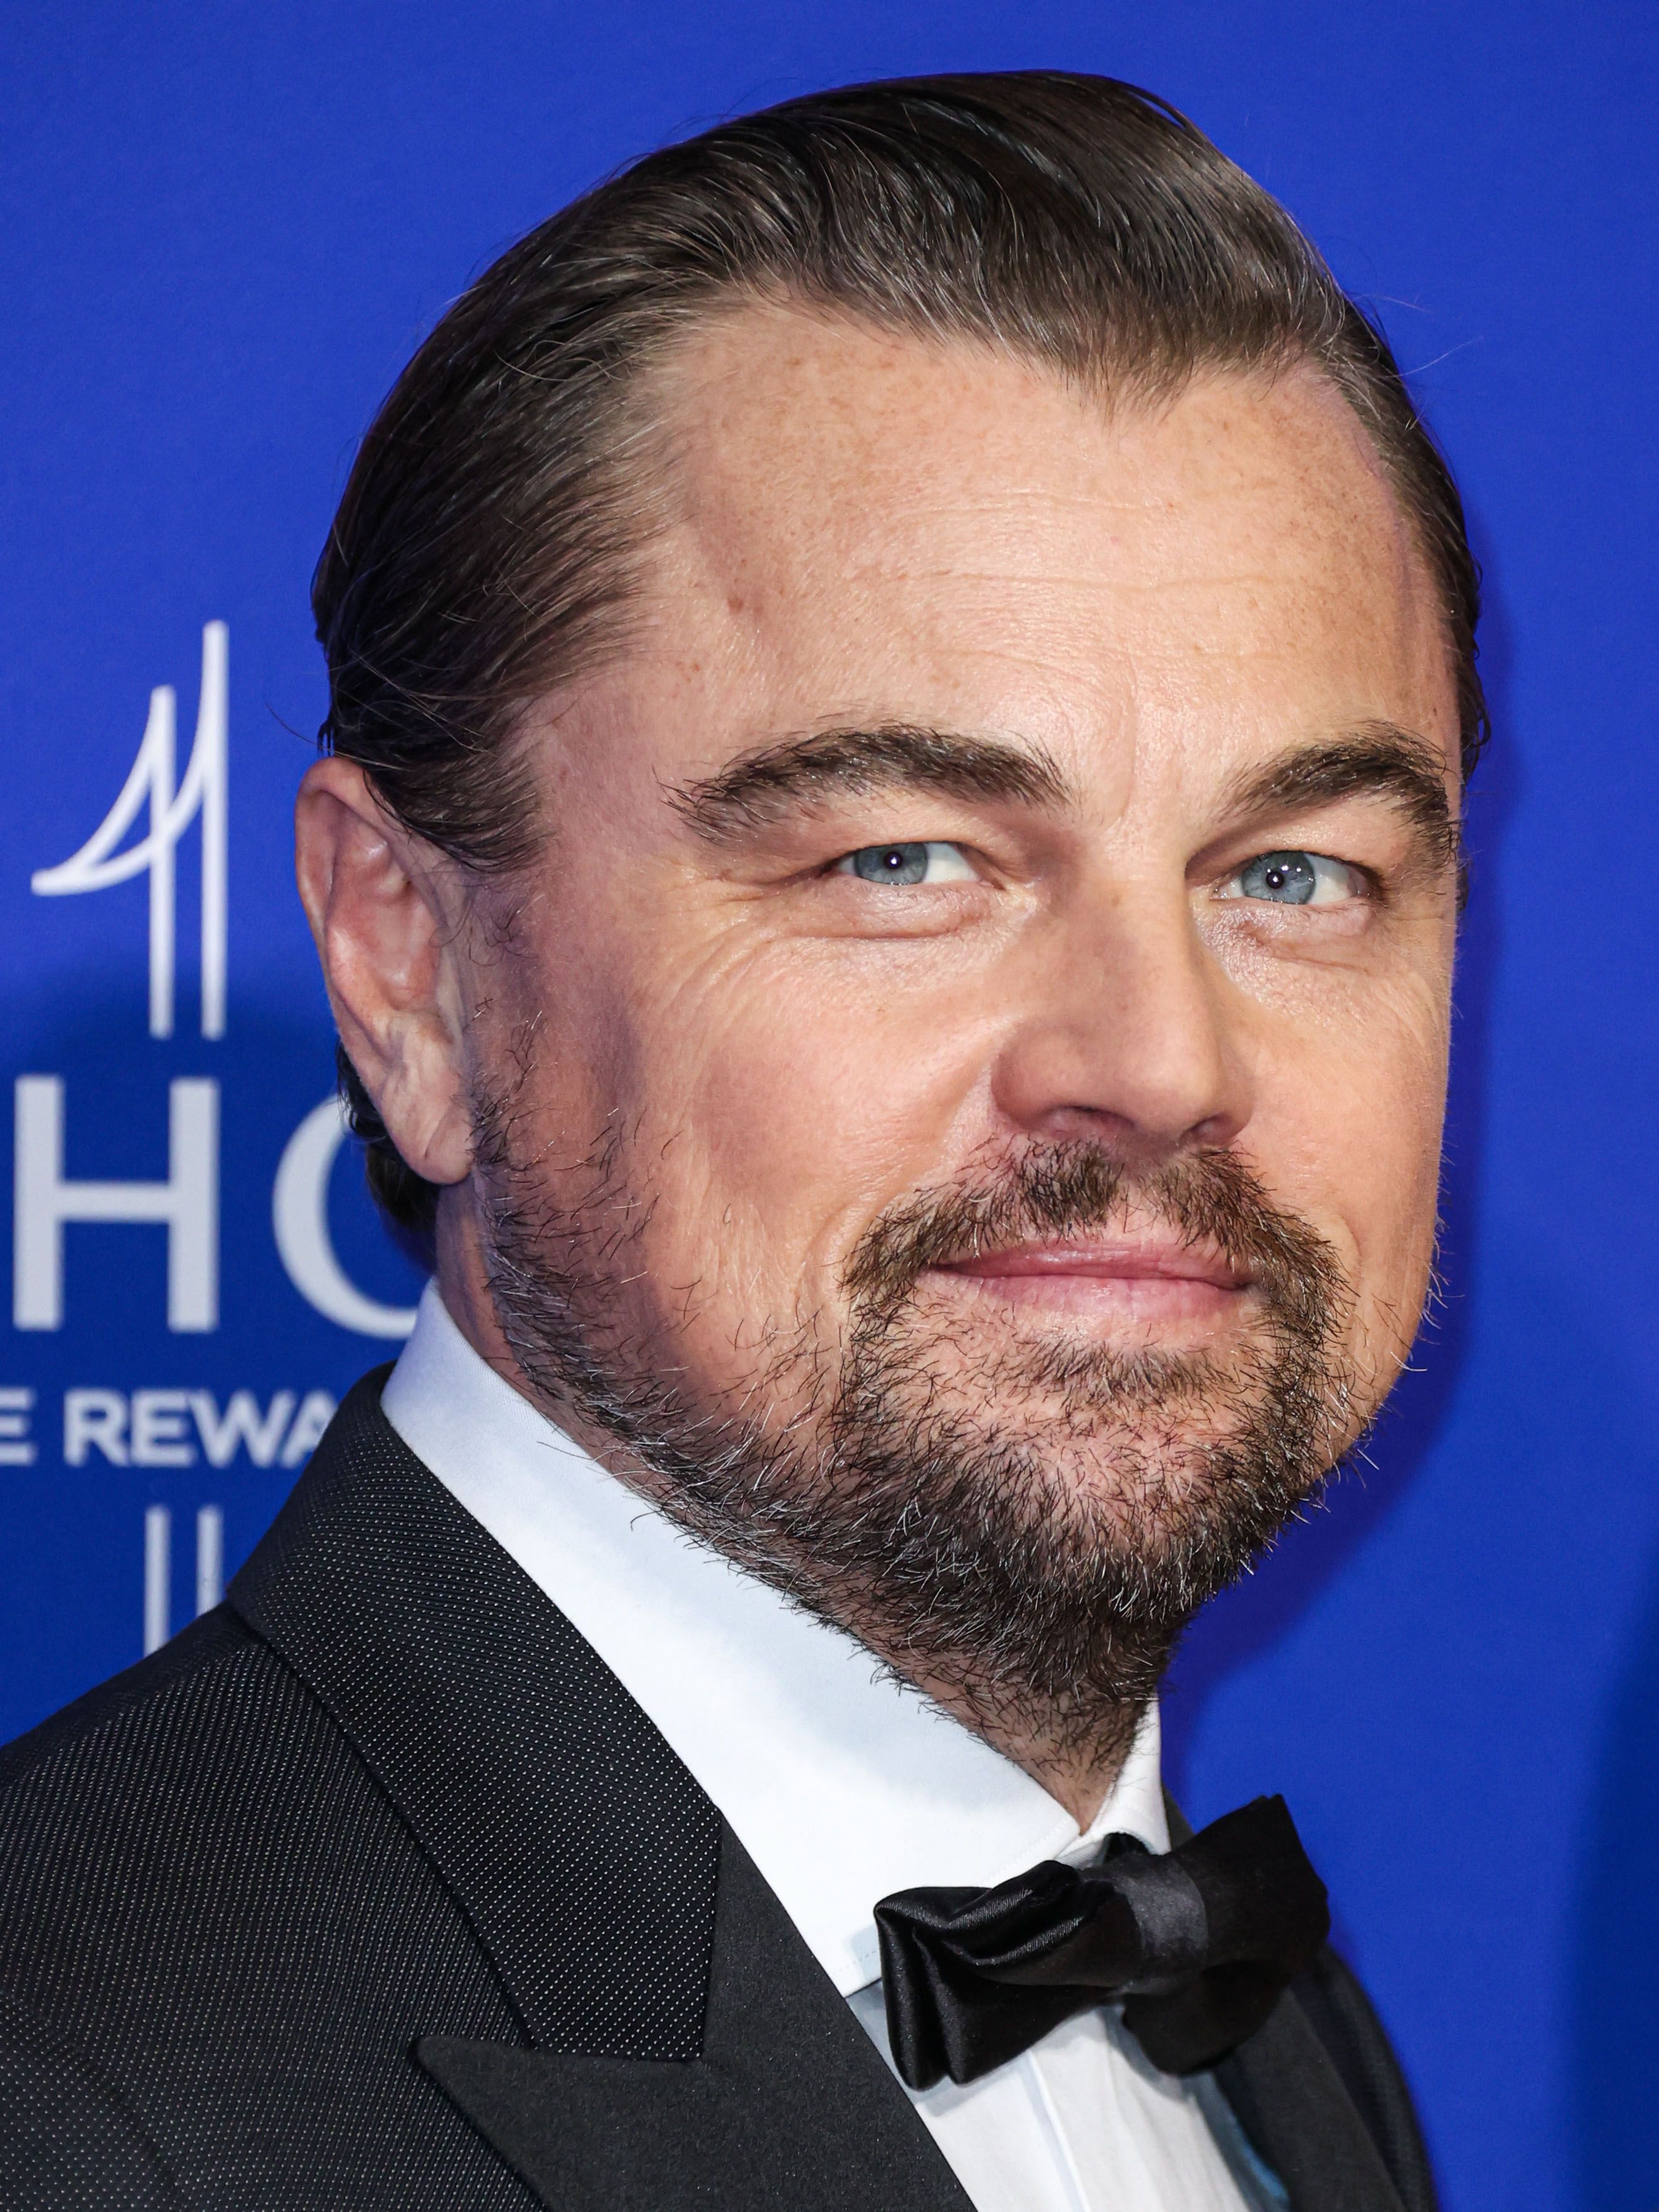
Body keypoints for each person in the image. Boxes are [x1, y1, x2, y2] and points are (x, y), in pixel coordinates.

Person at [0, 72, 1476, 2212]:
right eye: (906, 856)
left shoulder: (1278, 2044)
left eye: (1292, 875)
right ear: (408, 962)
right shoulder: (66, 2092)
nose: (1160, 1061)